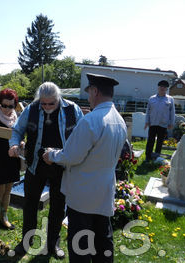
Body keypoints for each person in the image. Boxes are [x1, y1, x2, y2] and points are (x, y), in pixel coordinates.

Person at [42, 74, 127, 263]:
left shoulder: (91, 120)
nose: (88, 97)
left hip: (83, 194)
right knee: (102, 242)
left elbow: (72, 156)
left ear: (95, 91)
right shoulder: (119, 120)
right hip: (104, 191)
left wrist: (51, 155)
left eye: (89, 92)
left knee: (80, 244)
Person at [8, 82, 84, 259]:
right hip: (35, 165)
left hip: (62, 166)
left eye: (52, 103)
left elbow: (82, 135)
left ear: (59, 99)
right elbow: (17, 129)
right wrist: (13, 144)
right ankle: (26, 242)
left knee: (58, 207)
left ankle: (52, 244)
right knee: (30, 205)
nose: (47, 107)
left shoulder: (73, 109)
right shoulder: (32, 109)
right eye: (44, 103)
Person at [0, 88, 21, 235]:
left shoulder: (17, 118)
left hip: (12, 159)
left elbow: (21, 135)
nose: (7, 109)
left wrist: (22, 143)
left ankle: (4, 217)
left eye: (11, 106)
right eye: (4, 105)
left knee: (8, 191)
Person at [144, 80, 175, 161]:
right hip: (153, 123)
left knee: (160, 142)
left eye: (164, 87)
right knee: (150, 140)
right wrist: (147, 121)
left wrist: (171, 123)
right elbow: (148, 111)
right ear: (158, 87)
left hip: (163, 124)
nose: (162, 88)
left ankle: (156, 157)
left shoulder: (170, 99)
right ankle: (148, 156)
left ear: (166, 89)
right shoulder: (152, 98)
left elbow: (172, 112)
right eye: (161, 86)